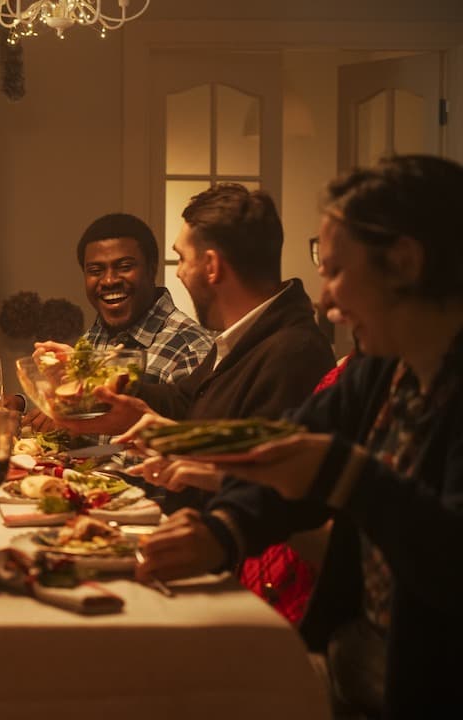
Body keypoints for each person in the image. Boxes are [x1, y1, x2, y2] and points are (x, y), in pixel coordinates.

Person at [135, 155, 463, 716]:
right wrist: (223, 529)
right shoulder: (382, 367)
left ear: (404, 263)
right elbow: (292, 443)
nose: (326, 301)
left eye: (335, 271)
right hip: (349, 666)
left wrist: (346, 474)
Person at [48, 184, 334, 511]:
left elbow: (266, 489)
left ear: (211, 265)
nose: (180, 273)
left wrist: (171, 442)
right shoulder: (242, 336)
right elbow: (185, 402)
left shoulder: (292, 352)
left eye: (182, 259)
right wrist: (108, 387)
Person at [77, 212, 212, 384]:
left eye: (124, 267)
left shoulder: (191, 350)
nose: (109, 281)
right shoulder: (92, 338)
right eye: (96, 271)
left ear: (152, 269)